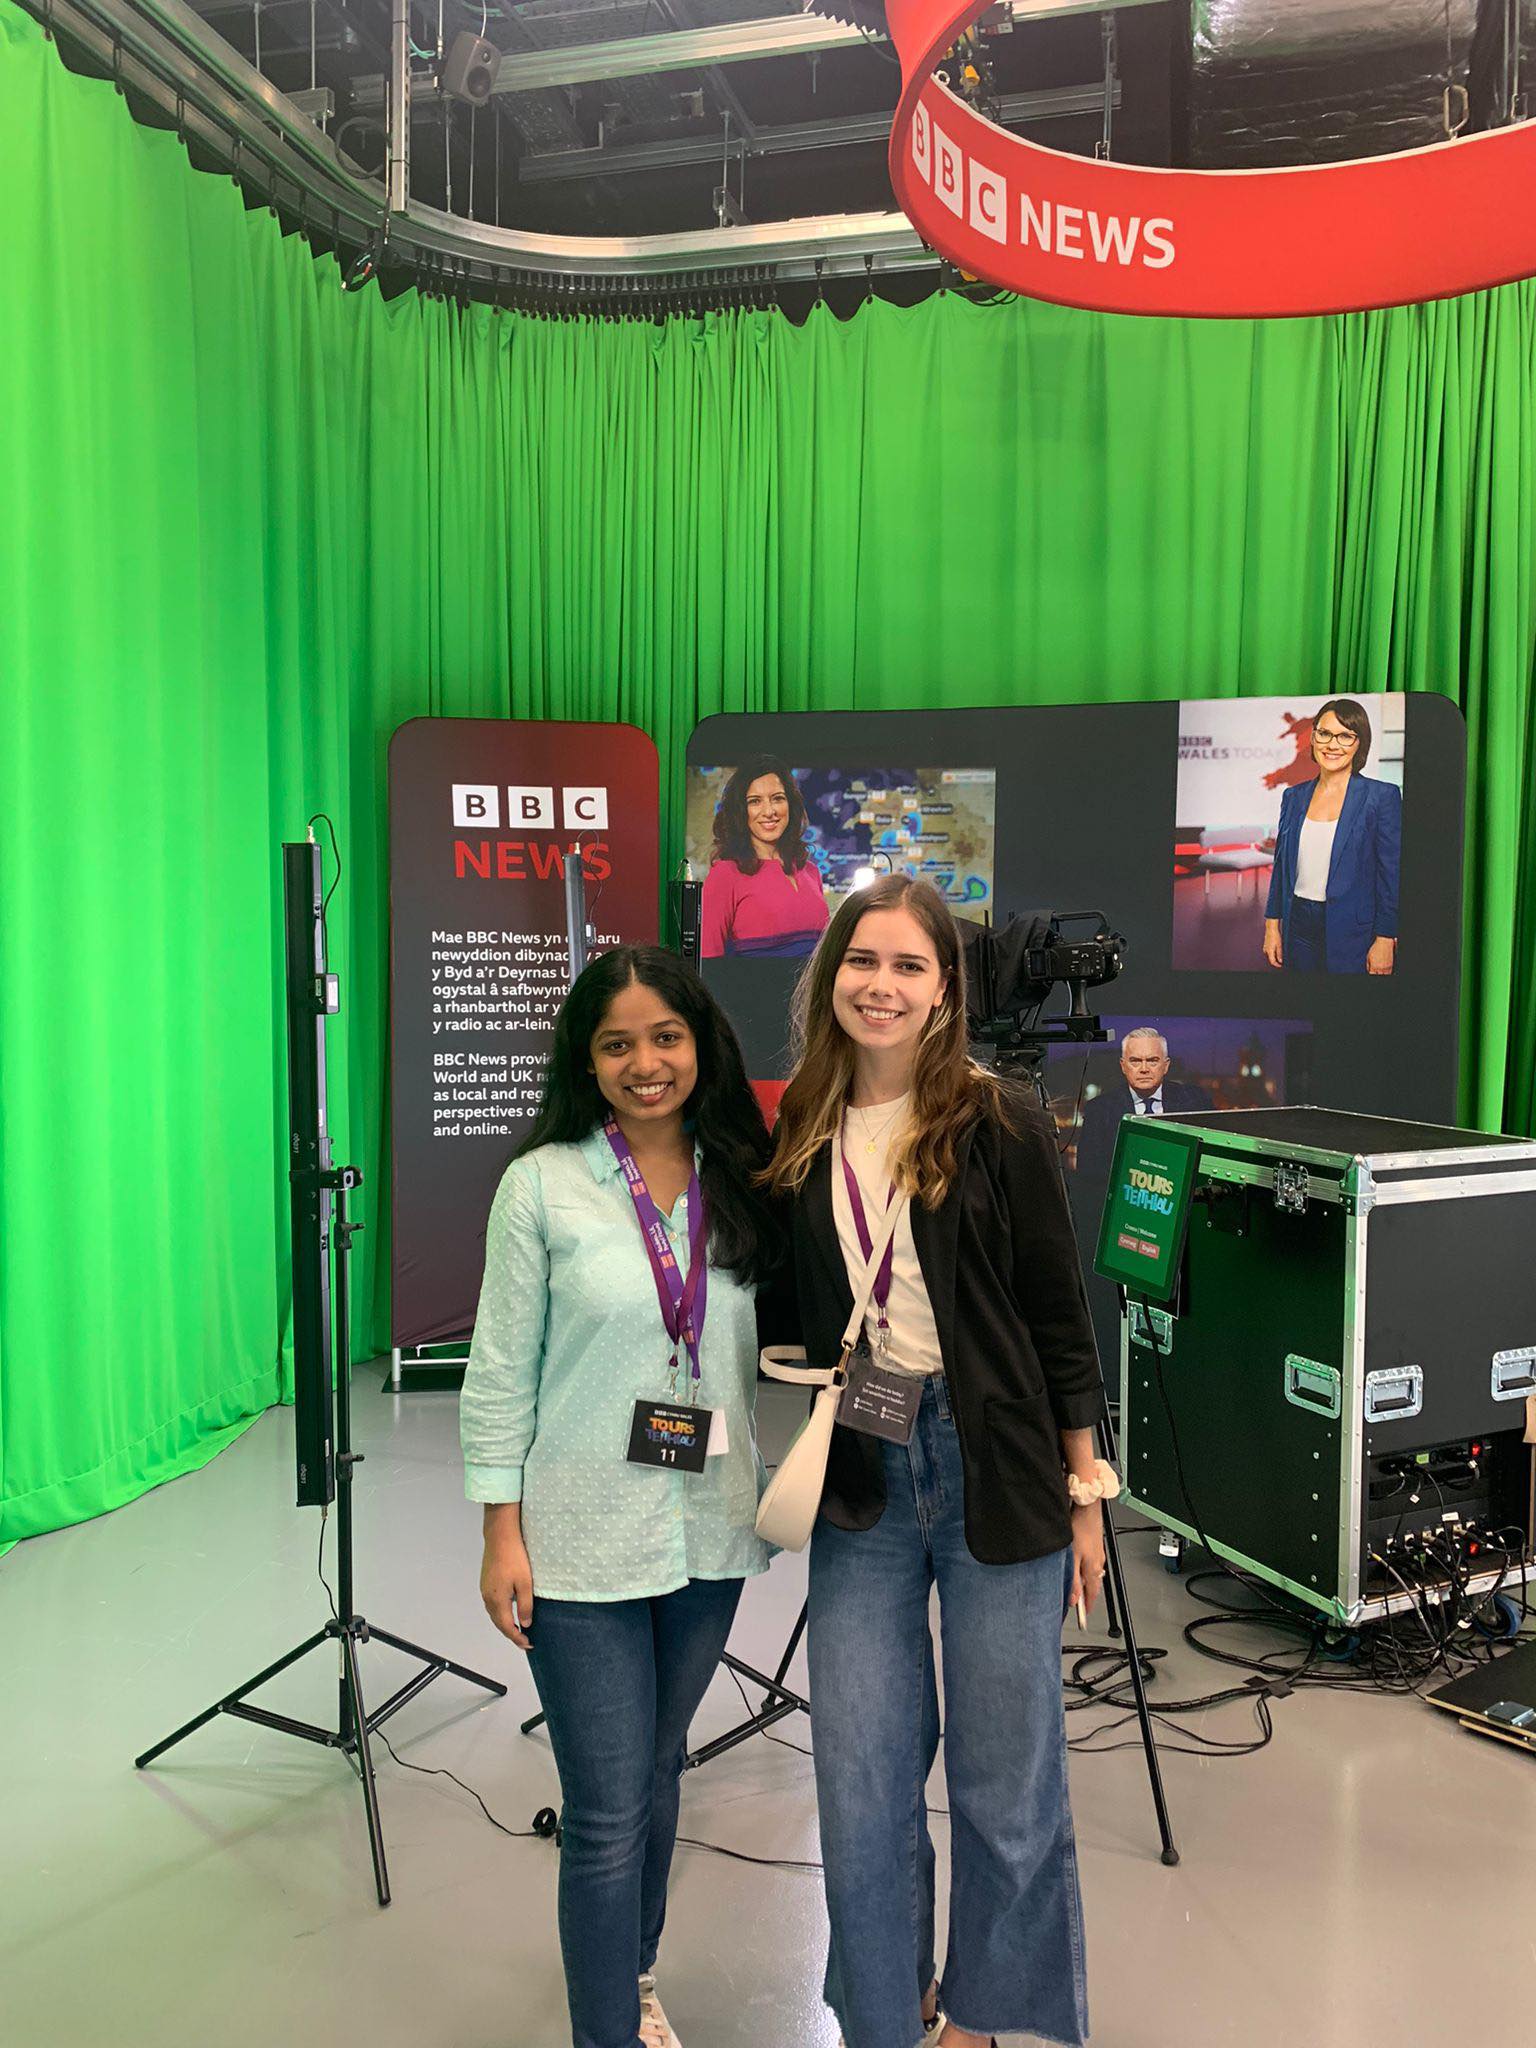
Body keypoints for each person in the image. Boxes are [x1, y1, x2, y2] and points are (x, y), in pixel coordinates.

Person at [763, 874, 1107, 2048]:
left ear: (945, 989)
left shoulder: (997, 1118)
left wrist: (1088, 1493)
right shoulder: (803, 1123)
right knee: (860, 1777)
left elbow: (1062, 1320)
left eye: (910, 965)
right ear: (833, 975)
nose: (883, 984)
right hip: (862, 1471)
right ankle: (883, 2007)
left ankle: (985, 2014)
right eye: (864, 961)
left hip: (994, 1464)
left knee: (1005, 1782)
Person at [461, 945, 781, 2048]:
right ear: (584, 1059)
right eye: (617, 1042)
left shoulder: (747, 1169)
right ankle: (606, 2028)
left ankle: (633, 1974)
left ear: (700, 1043)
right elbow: (500, 1368)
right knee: (604, 1805)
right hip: (579, 1533)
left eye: (666, 1036)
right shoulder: (541, 1184)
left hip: (712, 1522)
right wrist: (500, 1530)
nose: (646, 1062)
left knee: (657, 1766)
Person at [1262, 698, 1401, 974]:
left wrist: (1386, 937)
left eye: (1345, 736)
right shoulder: (1293, 797)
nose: (1332, 745)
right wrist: (1272, 925)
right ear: (1313, 738)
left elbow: (1390, 873)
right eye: (1324, 733)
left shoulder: (1382, 796)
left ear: (1360, 742)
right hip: (1298, 923)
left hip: (1354, 931)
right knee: (1301, 1009)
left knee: (1346, 1012)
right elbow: (1281, 868)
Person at [700, 754, 830, 958]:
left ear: (790, 805)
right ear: (741, 811)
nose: (769, 811)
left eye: (777, 798)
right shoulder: (725, 875)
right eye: (755, 801)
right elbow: (707, 962)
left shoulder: (811, 872)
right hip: (753, 988)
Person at [1075, 1028, 1213, 1188]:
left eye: (1153, 1060)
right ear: (1123, 1066)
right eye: (1135, 1061)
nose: (1144, 1069)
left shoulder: (1195, 1100)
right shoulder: (1099, 1110)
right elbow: (1089, 1174)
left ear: (1166, 1066)